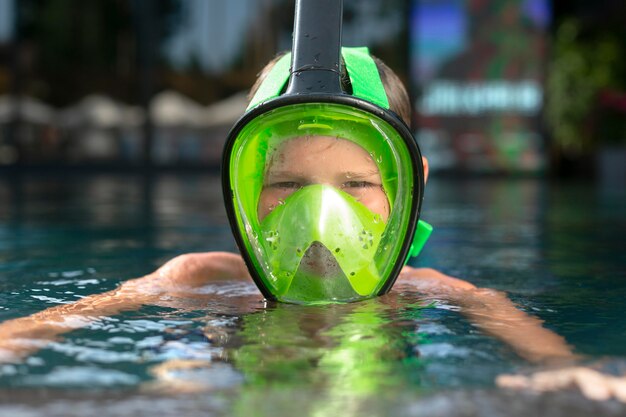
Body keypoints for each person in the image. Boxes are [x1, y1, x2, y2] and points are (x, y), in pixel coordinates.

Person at [0, 49, 624, 400]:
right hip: (219, 392)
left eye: (356, 186)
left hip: (379, 397)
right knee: (182, 378)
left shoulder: (430, 291)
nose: (320, 218)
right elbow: (51, 324)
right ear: (245, 190)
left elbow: (550, 357)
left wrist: (573, 374)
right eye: (287, 186)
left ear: (410, 189)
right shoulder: (193, 278)